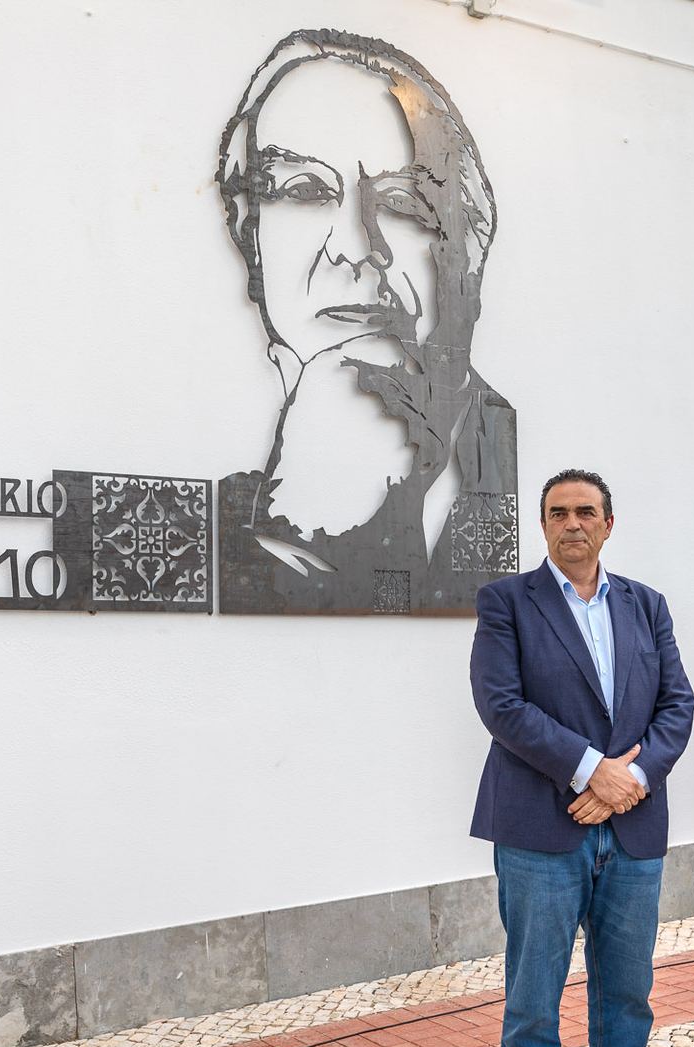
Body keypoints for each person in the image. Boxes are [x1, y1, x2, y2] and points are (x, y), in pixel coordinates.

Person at [215, 30, 517, 616]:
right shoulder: (226, 523)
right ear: (247, 236)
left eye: (403, 205)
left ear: (469, 252)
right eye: (303, 191)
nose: (359, 247)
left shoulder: (506, 476)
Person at [469, 468, 694, 1047]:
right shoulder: (507, 602)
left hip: (631, 828)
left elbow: (677, 704)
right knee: (534, 1004)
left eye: (586, 512)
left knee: (626, 996)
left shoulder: (646, 604)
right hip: (540, 829)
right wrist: (589, 768)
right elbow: (500, 705)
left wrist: (628, 777)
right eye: (559, 512)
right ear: (544, 525)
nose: (573, 523)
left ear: (608, 523)